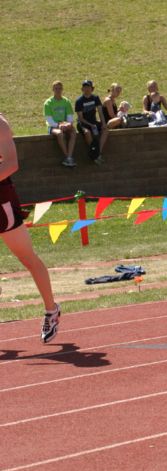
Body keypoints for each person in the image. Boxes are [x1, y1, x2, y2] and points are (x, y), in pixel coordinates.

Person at [0, 113, 61, 343]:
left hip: (1, 199)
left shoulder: (0, 124)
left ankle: (51, 310)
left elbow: (11, 163)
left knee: (27, 258)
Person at [44, 81, 77, 167]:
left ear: (62, 89)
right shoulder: (48, 103)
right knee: (60, 134)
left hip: (64, 124)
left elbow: (70, 117)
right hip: (53, 126)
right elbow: (49, 120)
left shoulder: (66, 101)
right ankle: (67, 156)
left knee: (73, 132)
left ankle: (69, 157)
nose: (58, 90)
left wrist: (67, 125)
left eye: (59, 88)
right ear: (53, 90)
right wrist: (59, 125)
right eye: (56, 88)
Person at [74, 80, 109, 163]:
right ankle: (95, 155)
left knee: (106, 130)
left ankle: (97, 153)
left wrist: (103, 123)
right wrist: (91, 125)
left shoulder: (95, 98)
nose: (87, 89)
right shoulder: (79, 101)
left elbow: (100, 112)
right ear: (82, 89)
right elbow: (81, 118)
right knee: (87, 133)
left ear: (92, 88)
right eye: (85, 87)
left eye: (88, 87)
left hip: (93, 122)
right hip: (83, 123)